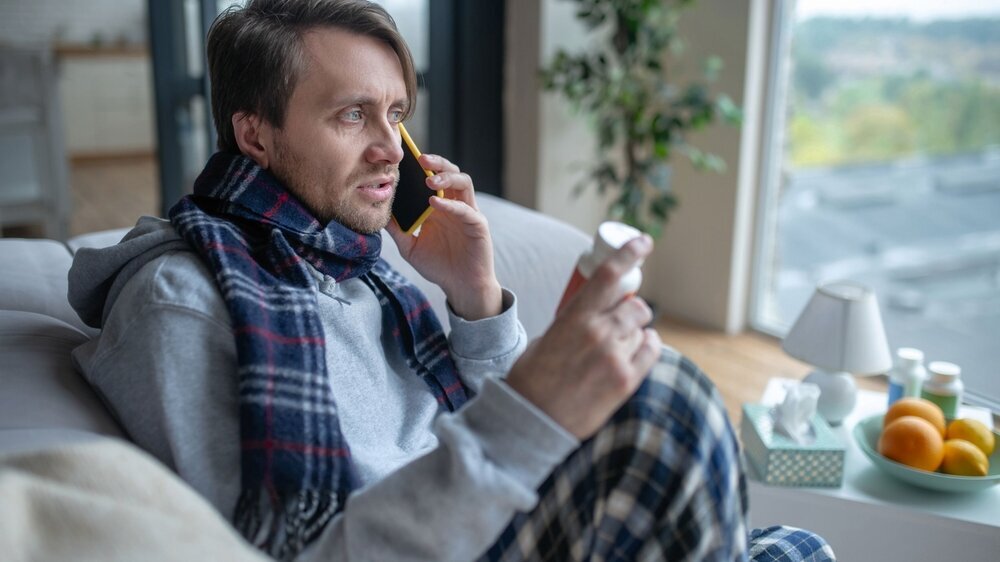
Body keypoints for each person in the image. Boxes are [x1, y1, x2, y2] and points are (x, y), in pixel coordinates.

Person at [68, 1, 834, 561]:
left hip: (484, 518)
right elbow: (268, 550)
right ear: (255, 134)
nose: (390, 151)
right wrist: (536, 409)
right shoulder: (184, 299)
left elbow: (482, 429)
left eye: (394, 114)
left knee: (798, 544)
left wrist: (475, 295)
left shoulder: (365, 270)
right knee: (670, 406)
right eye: (350, 116)